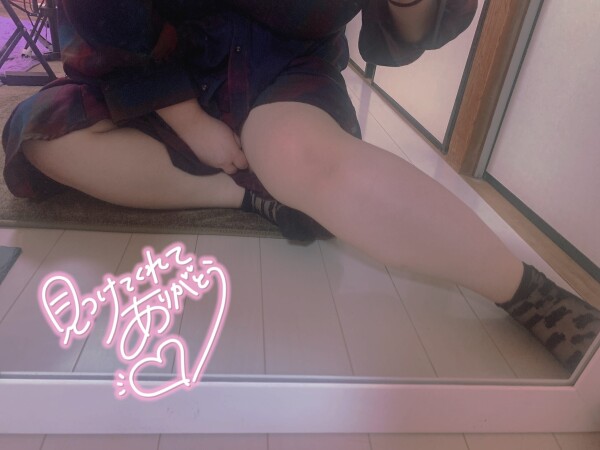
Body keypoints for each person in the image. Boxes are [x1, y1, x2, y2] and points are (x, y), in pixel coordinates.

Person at [2, 0, 599, 371]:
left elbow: (405, 32)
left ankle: (532, 294)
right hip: (166, 73)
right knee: (40, 136)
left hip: (289, 75)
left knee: (294, 153)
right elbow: (103, 19)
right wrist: (188, 120)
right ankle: (245, 195)